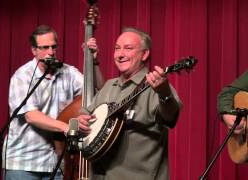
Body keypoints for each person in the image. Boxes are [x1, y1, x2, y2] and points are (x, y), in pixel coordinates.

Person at [76, 27, 182, 180]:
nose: (120, 54)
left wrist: (164, 92)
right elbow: (86, 111)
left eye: (128, 48)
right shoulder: (109, 86)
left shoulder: (155, 87)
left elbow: (170, 118)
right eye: (117, 48)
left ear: (144, 54)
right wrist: (81, 120)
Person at [2, 24, 104, 180]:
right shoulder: (22, 76)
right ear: (34, 50)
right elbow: (31, 116)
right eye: (44, 47)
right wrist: (66, 127)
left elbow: (98, 91)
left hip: (57, 162)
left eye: (53, 46)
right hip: (24, 163)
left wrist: (93, 62)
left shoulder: (68, 73)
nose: (50, 52)